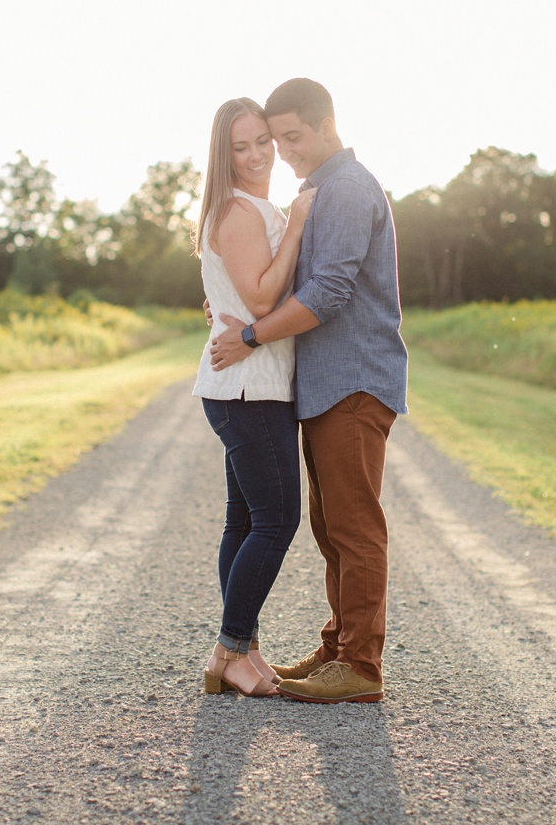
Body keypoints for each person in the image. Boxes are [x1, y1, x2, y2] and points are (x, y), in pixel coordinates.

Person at [209, 77, 407, 704]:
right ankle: (339, 647)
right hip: (323, 385)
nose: (285, 151)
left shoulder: (347, 188)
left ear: (327, 125)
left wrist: (254, 335)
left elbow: (328, 292)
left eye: (291, 137)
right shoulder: (316, 189)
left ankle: (361, 667)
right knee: (330, 524)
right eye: (275, 139)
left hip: (352, 380)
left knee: (353, 525)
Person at [193, 96, 318, 698]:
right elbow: (264, 300)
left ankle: (246, 651)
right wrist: (296, 225)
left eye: (261, 143)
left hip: (243, 385)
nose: (254, 157)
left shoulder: (243, 208)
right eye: (239, 148)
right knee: (276, 520)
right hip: (249, 389)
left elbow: (240, 295)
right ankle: (228, 649)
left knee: (244, 521)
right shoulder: (243, 212)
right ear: (223, 154)